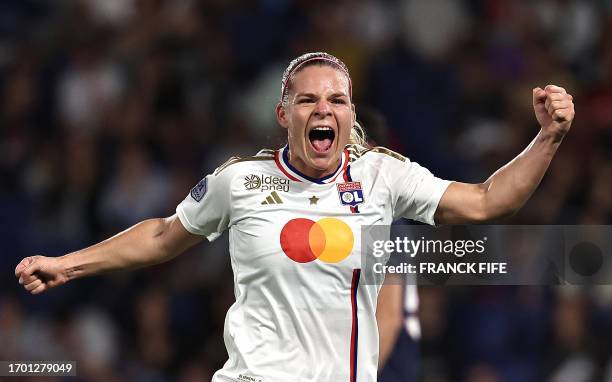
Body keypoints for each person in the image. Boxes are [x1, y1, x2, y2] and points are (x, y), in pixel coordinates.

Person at [15, 52, 575, 381]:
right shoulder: (240, 181)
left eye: (336, 100)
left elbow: (487, 202)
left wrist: (548, 137)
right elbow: (163, 236)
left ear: (351, 113)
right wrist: (69, 264)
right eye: (309, 100)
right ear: (284, 114)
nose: (323, 110)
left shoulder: (382, 176)